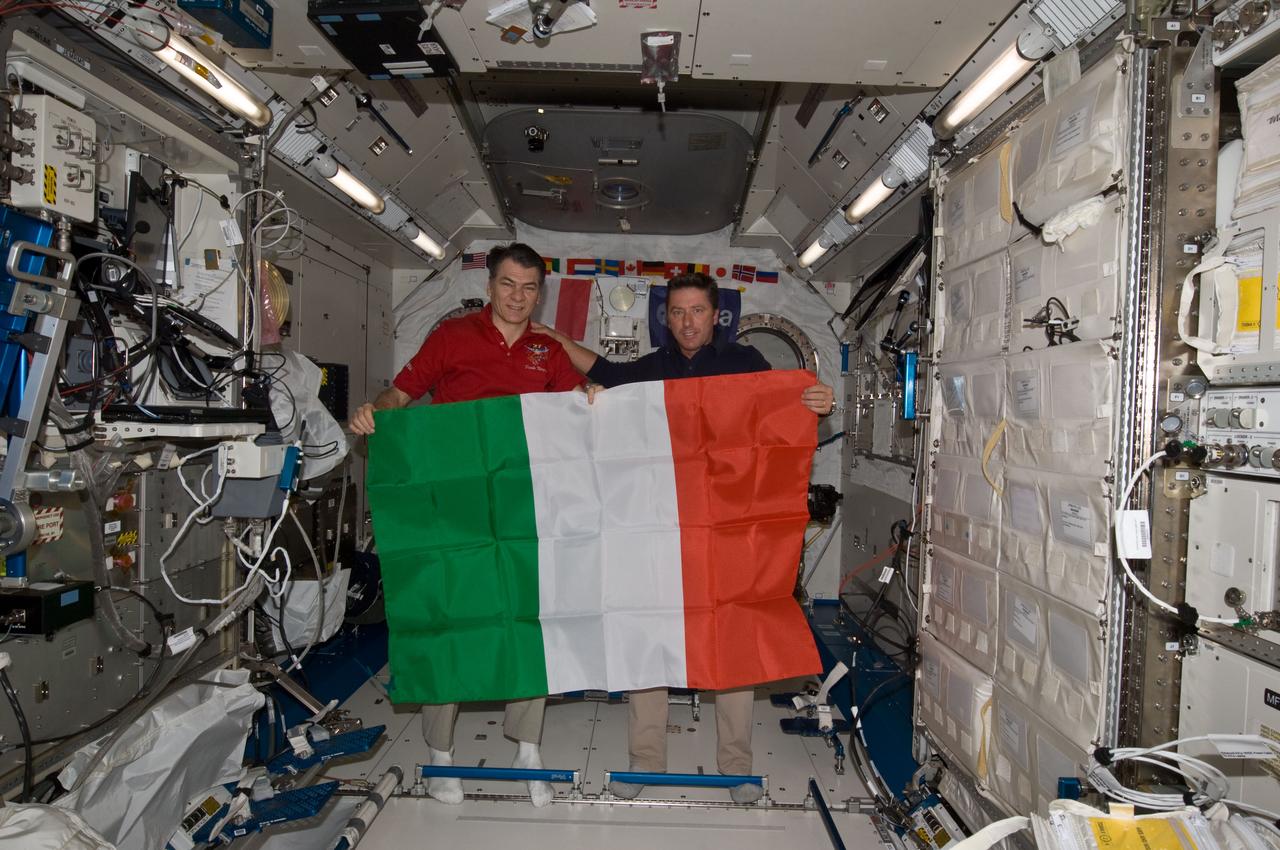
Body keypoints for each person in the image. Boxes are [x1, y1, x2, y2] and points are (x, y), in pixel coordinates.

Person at [534, 271, 834, 804]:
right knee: (649, 634)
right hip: (661, 528)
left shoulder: (746, 364)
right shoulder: (651, 370)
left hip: (727, 528)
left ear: (715, 315)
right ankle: (643, 761)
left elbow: (782, 410)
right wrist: (549, 337)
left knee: (733, 635)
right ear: (664, 318)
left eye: (697, 311)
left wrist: (813, 400)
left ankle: (737, 768)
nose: (687, 322)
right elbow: (601, 370)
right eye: (677, 312)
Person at [349, 243, 583, 808]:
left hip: (521, 506)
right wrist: (374, 410)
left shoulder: (546, 351)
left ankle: (527, 744)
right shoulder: (452, 337)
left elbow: (573, 410)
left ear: (539, 292)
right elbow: (401, 392)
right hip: (452, 507)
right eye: (508, 284)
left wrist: (591, 395)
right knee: (448, 616)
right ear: (490, 285)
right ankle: (441, 751)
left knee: (526, 617)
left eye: (529, 288)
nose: (518, 297)